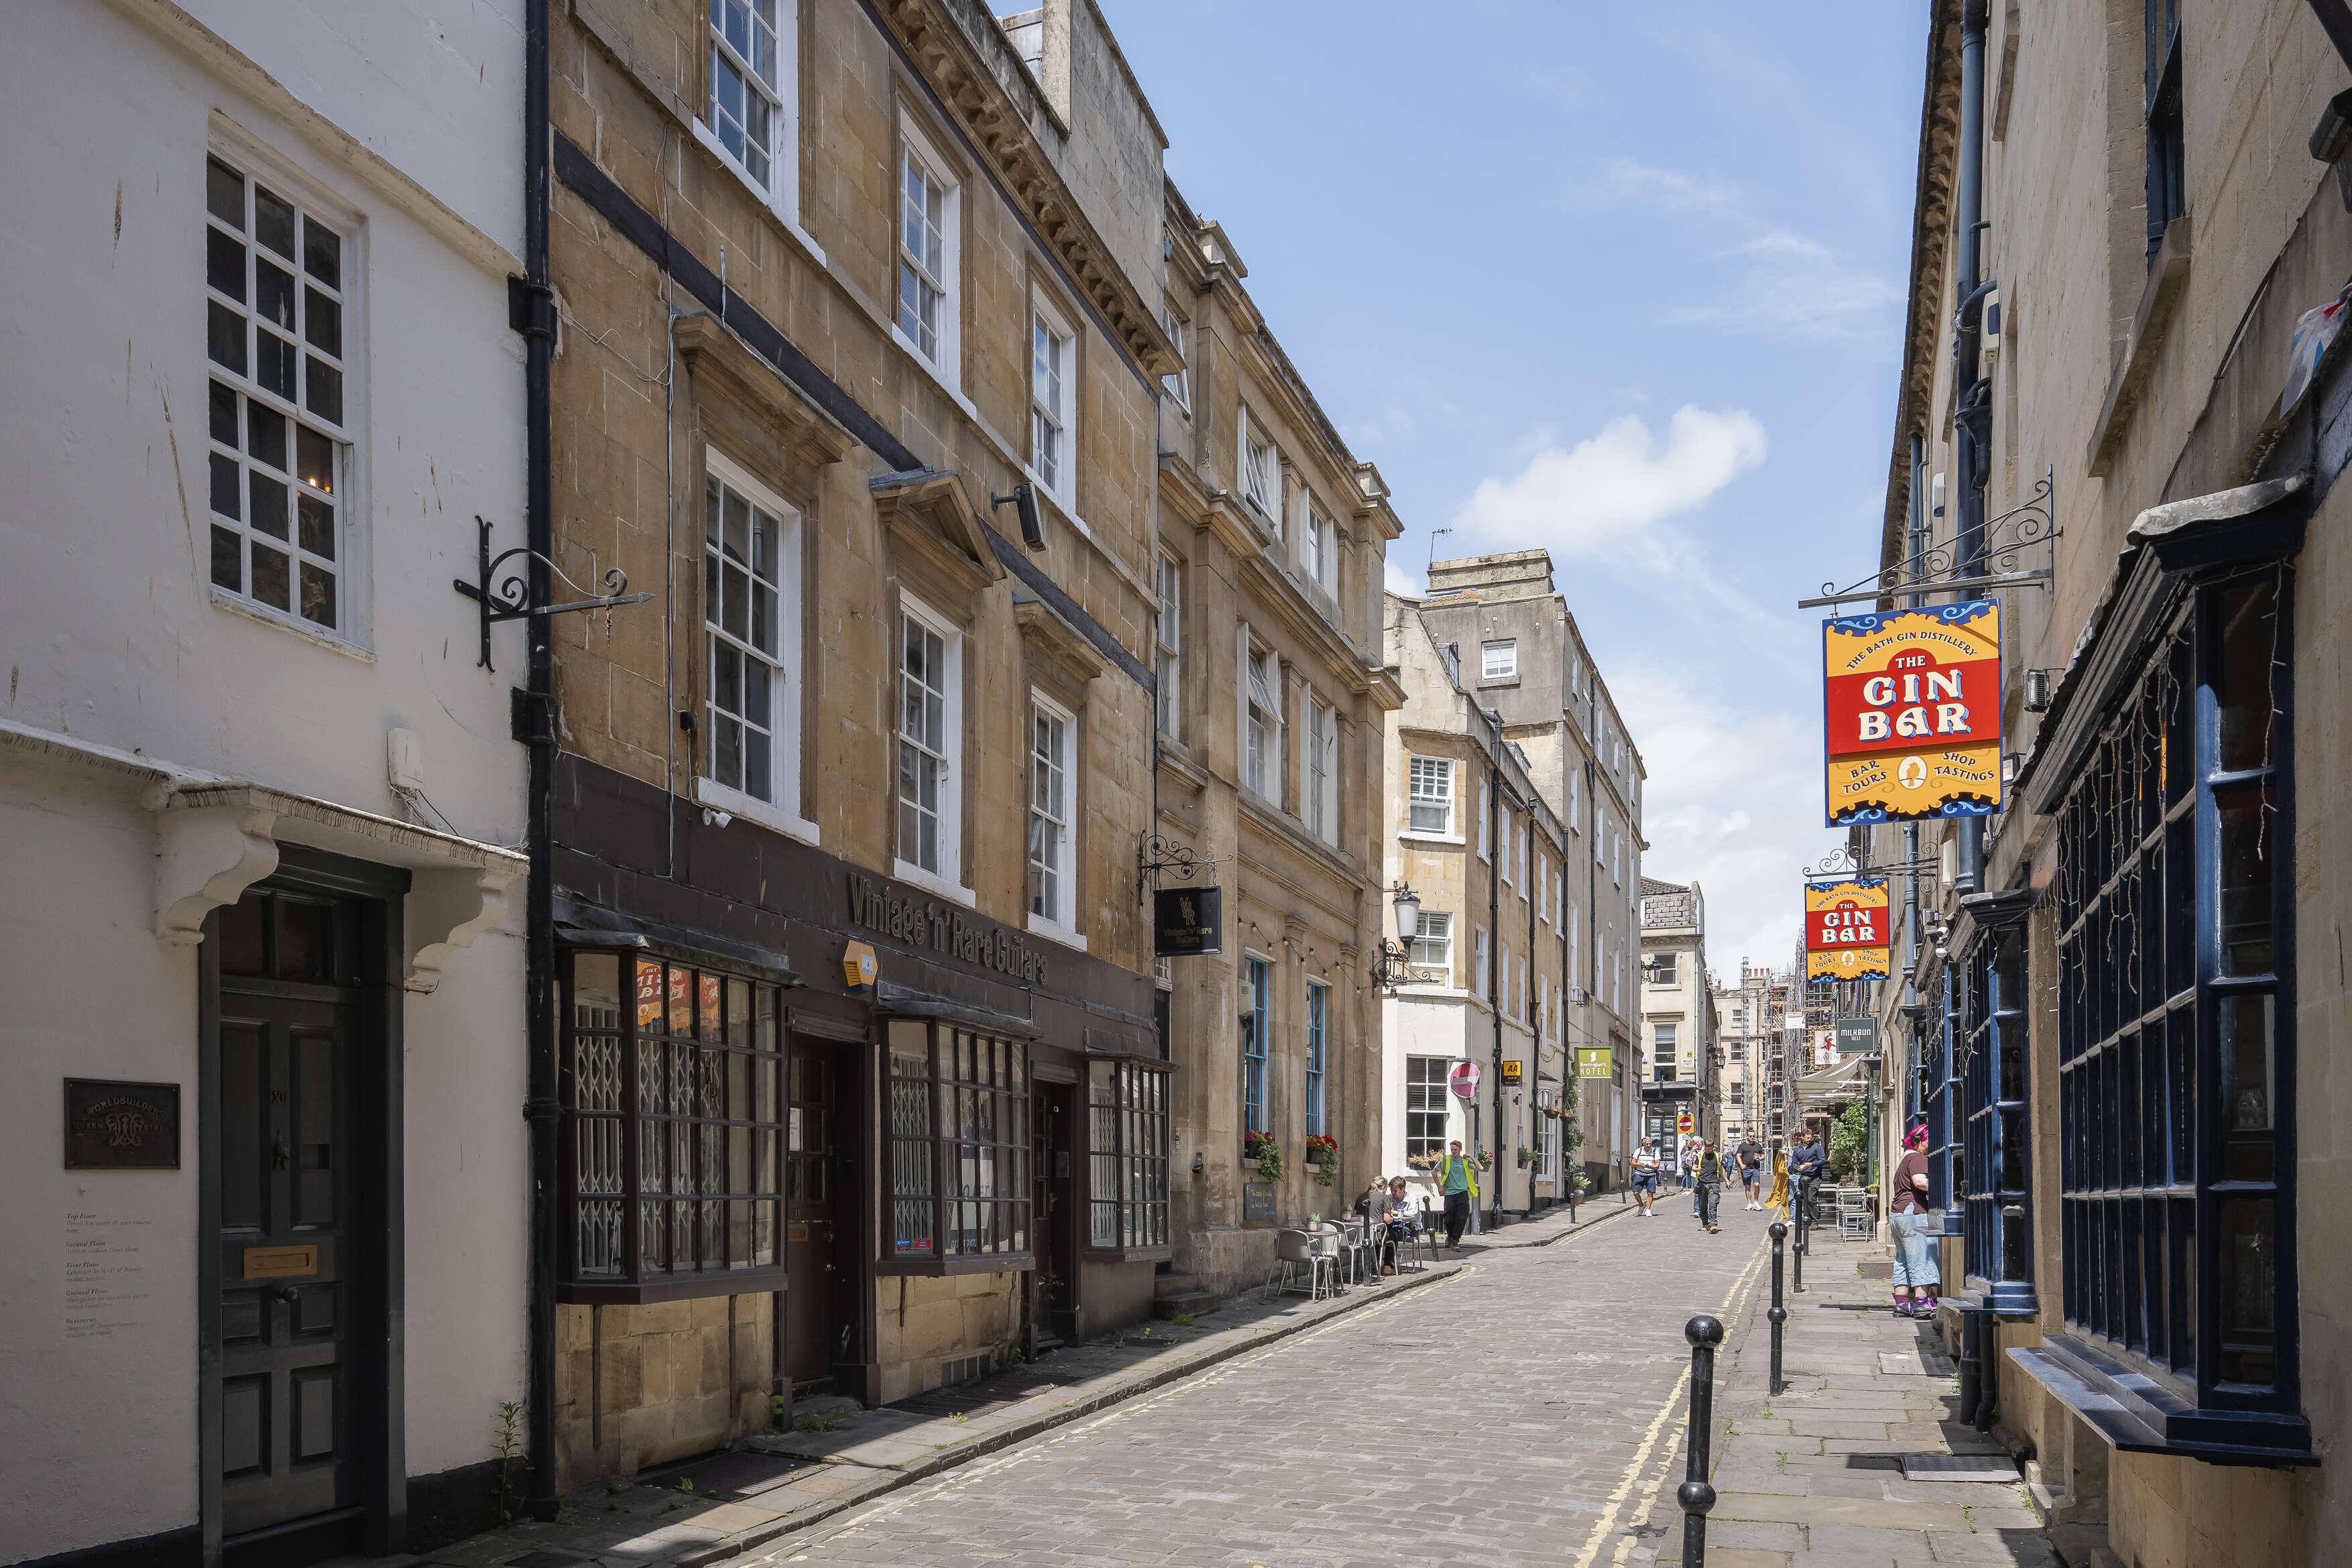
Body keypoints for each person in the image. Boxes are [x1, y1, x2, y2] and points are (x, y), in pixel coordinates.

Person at [1889, 1124, 1940, 1315]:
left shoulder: (1905, 1158)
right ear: (1918, 1141)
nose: (1931, 1145)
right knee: (1922, 1255)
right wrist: (1940, 1186)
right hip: (1913, 1213)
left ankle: (1902, 1303)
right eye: (1929, 1141)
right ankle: (1921, 1303)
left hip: (1898, 1214)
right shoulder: (1917, 1158)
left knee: (1902, 1258)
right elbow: (1919, 1181)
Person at [1431, 1140, 1480, 1250]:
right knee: (1448, 1218)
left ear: (1460, 1150)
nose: (1453, 1152)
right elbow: (1434, 1172)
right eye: (1452, 1149)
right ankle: (1449, 1236)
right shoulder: (1445, 1160)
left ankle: (1455, 1240)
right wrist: (1439, 1186)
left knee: (1462, 1217)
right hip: (1450, 1193)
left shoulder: (1465, 1161)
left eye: (1455, 1150)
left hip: (1463, 1192)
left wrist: (1471, 1156)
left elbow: (1480, 1167)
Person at [1374, 1175, 1419, 1275]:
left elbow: (1413, 1214)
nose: (1393, 1193)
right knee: (1381, 1234)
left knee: (1391, 1234)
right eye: (1392, 1190)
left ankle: (1387, 1264)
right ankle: (1380, 1263)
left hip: (1410, 1228)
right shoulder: (1389, 1197)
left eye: (1396, 1191)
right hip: (1394, 1226)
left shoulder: (1412, 1198)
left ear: (1403, 1189)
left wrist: (1395, 1212)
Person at [1788, 1128, 1828, 1226]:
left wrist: (1811, 1164)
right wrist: (1799, 1168)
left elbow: (1823, 1160)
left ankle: (1815, 1222)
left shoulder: (1817, 1147)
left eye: (1811, 1138)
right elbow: (1794, 1164)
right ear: (1802, 1137)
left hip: (1815, 1177)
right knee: (1803, 1199)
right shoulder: (1797, 1149)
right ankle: (1806, 1220)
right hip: (1803, 1177)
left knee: (1811, 1199)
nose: (1810, 1139)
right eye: (1807, 1138)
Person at [1693, 1139, 1727, 1233]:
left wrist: (1727, 1181)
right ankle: (1705, 1223)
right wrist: (1698, 1169)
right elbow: (1693, 1167)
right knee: (1703, 1205)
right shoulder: (1700, 1156)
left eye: (1710, 1149)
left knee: (1713, 1204)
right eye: (1707, 1149)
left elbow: (1721, 1169)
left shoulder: (1718, 1156)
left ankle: (1713, 1225)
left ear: (1713, 1147)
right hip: (1702, 1183)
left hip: (1714, 1183)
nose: (1708, 1151)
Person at [1630, 1138, 1662, 1217]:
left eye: (1650, 1144)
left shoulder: (1655, 1151)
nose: (1649, 1145)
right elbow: (1633, 1163)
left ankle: (1648, 1210)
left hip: (1650, 1175)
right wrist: (1639, 1164)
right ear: (1643, 1144)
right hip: (1639, 1174)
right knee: (1636, 1192)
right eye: (1647, 1144)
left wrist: (1650, 1166)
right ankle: (1641, 1205)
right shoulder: (1638, 1151)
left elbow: (1657, 1165)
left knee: (1650, 1193)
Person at [1737, 1133, 1765, 1210]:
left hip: (1755, 1168)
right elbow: (1738, 1156)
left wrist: (1760, 1158)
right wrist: (1741, 1164)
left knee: (1757, 1184)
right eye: (1750, 1136)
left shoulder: (1758, 1146)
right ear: (1747, 1137)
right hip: (1746, 1169)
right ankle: (1750, 1203)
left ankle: (1756, 1202)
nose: (1752, 1137)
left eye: (1753, 1136)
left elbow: (1763, 1155)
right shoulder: (1742, 1146)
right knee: (1747, 1186)